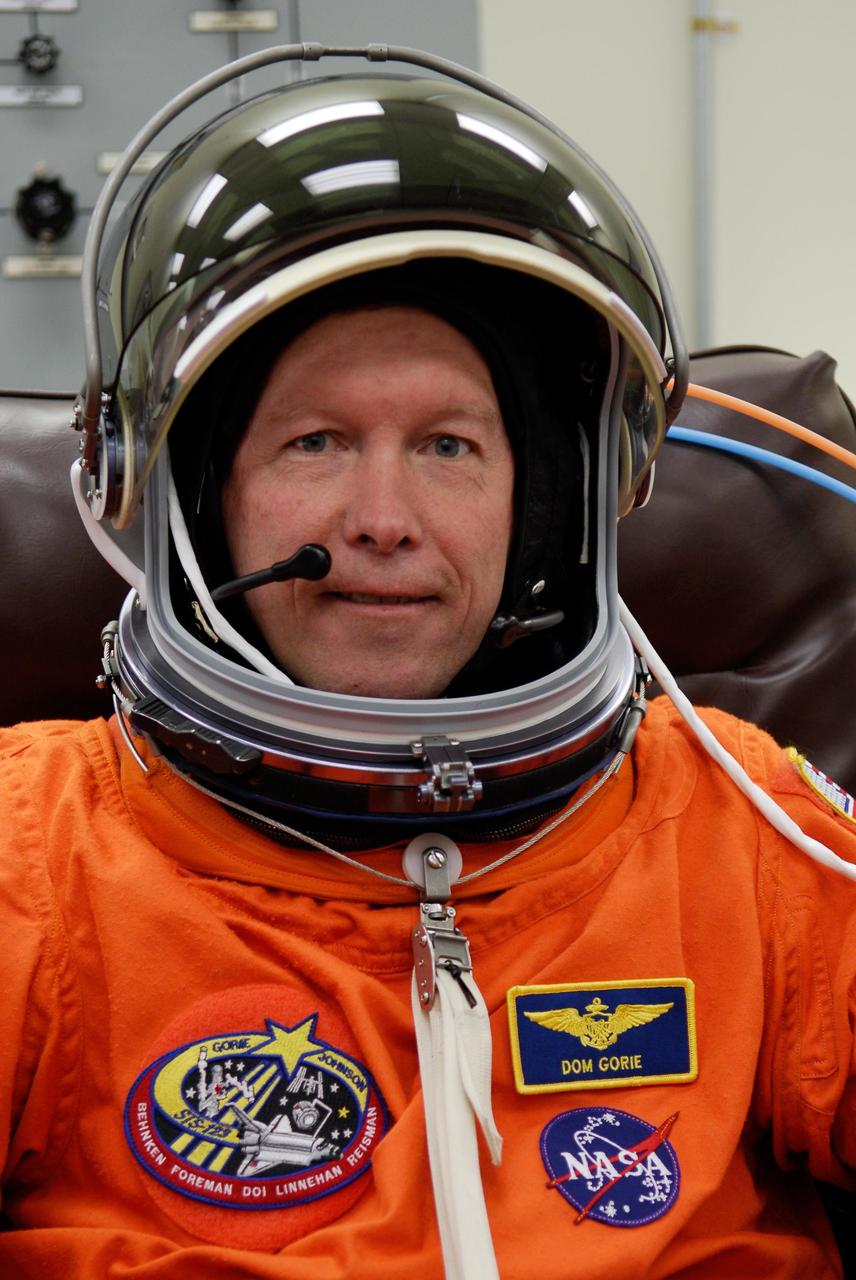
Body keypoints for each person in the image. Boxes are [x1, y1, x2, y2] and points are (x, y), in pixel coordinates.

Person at [1, 44, 855, 1280]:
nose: (383, 516)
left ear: (547, 503)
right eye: (316, 440)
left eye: (450, 446)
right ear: (190, 497)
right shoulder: (38, 851)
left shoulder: (735, 822)